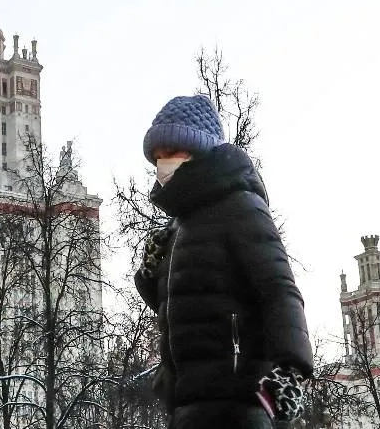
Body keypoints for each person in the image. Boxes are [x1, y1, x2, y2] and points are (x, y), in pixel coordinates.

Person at [134, 95, 314, 429]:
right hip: (186, 405)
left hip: (237, 404)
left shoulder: (241, 207)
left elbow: (279, 289)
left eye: (170, 153)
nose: (162, 165)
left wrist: (291, 369)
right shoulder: (178, 226)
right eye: (157, 158)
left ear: (197, 152)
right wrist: (149, 274)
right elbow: (186, 305)